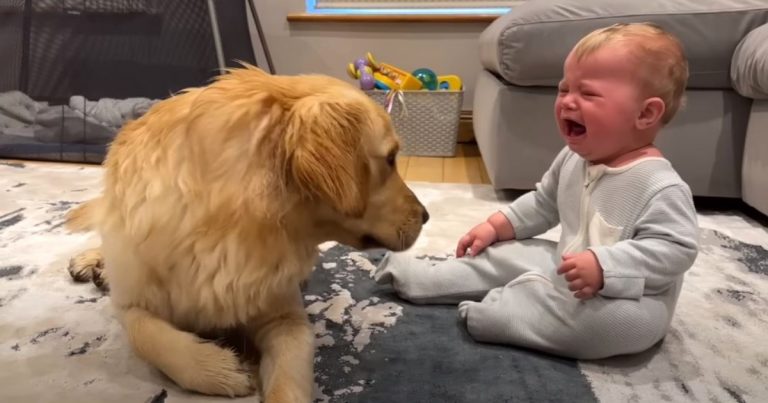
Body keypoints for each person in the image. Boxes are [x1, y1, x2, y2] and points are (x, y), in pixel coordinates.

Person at [374, 22, 700, 360]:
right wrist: (497, 226)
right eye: (563, 89)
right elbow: (544, 203)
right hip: (566, 262)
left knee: (615, 327)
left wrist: (606, 266)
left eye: (587, 93)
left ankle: (510, 311)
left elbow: (675, 251)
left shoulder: (660, 186)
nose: (567, 102)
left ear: (645, 113)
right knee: (507, 252)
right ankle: (429, 278)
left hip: (630, 296)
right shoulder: (573, 158)